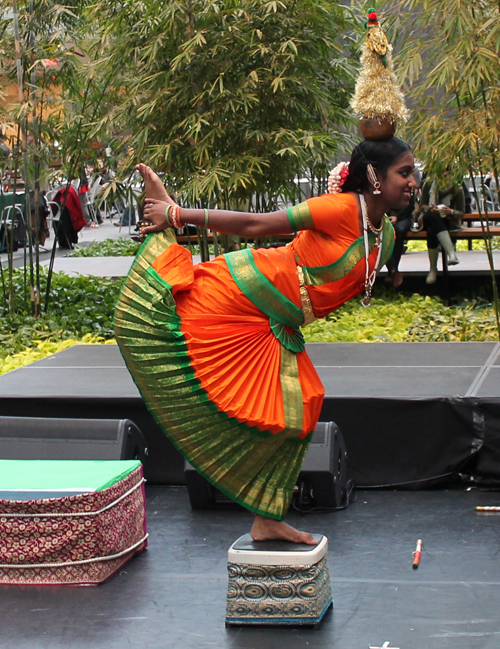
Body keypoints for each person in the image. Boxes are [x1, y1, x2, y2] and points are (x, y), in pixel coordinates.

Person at [114, 137, 417, 545]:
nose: (414, 181)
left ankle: (266, 517)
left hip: (278, 317)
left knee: (300, 408)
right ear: (374, 178)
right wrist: (177, 213)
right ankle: (164, 221)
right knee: (175, 316)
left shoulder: (387, 237)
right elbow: (257, 225)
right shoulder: (341, 209)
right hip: (246, 289)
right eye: (405, 172)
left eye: (413, 172)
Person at [418, 171, 464, 284]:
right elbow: (422, 205)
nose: (443, 177)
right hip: (427, 218)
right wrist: (430, 209)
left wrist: (451, 212)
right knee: (433, 216)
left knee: (431, 231)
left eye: (446, 175)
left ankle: (433, 269)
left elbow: (461, 212)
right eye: (440, 175)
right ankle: (451, 254)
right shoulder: (429, 185)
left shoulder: (457, 188)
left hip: (447, 221)